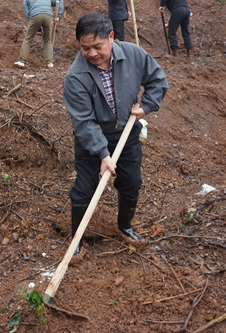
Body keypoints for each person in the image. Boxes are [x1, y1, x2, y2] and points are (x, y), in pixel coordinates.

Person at [63, 12, 168, 255]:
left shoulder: (133, 54)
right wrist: (102, 153)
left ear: (111, 37)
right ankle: (77, 239)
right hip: (91, 140)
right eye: (85, 48)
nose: (91, 53)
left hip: (127, 133)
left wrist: (148, 105)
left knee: (131, 182)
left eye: (97, 46)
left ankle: (125, 226)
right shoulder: (75, 76)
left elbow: (157, 79)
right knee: (85, 187)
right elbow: (83, 121)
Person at [14, 0, 64, 69]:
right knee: (47, 41)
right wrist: (58, 16)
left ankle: (22, 61)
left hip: (35, 15)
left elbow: (28, 16)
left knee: (28, 39)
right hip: (48, 16)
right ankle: (50, 63)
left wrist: (39, 28)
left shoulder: (26, 1)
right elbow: (59, 0)